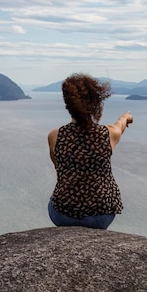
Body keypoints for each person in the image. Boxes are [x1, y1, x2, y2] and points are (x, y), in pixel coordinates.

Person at [47, 73, 133, 229]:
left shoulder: (55, 136)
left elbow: (57, 166)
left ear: (68, 104)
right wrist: (126, 117)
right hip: (100, 216)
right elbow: (120, 125)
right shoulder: (109, 134)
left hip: (62, 215)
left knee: (54, 198)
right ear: (96, 103)